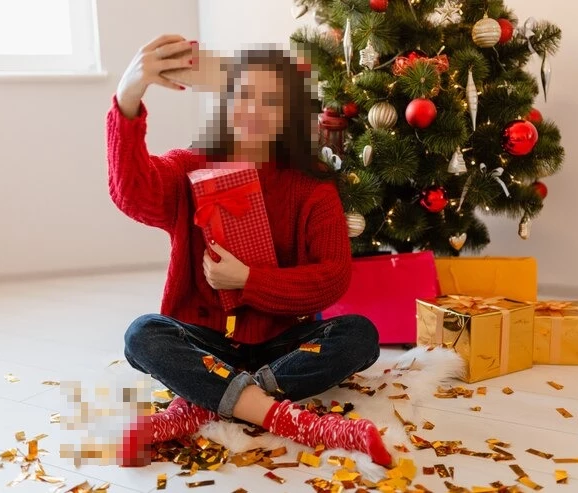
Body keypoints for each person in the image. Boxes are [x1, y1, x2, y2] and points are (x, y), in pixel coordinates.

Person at [107, 34, 391, 467]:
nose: (255, 110)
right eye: (244, 95)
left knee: (359, 335)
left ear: (290, 114)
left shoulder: (311, 187)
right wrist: (128, 97)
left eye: (272, 101)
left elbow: (333, 277)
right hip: (207, 342)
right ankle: (291, 419)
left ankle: (200, 404)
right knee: (142, 335)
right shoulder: (191, 165)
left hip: (283, 345)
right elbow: (133, 194)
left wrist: (249, 281)